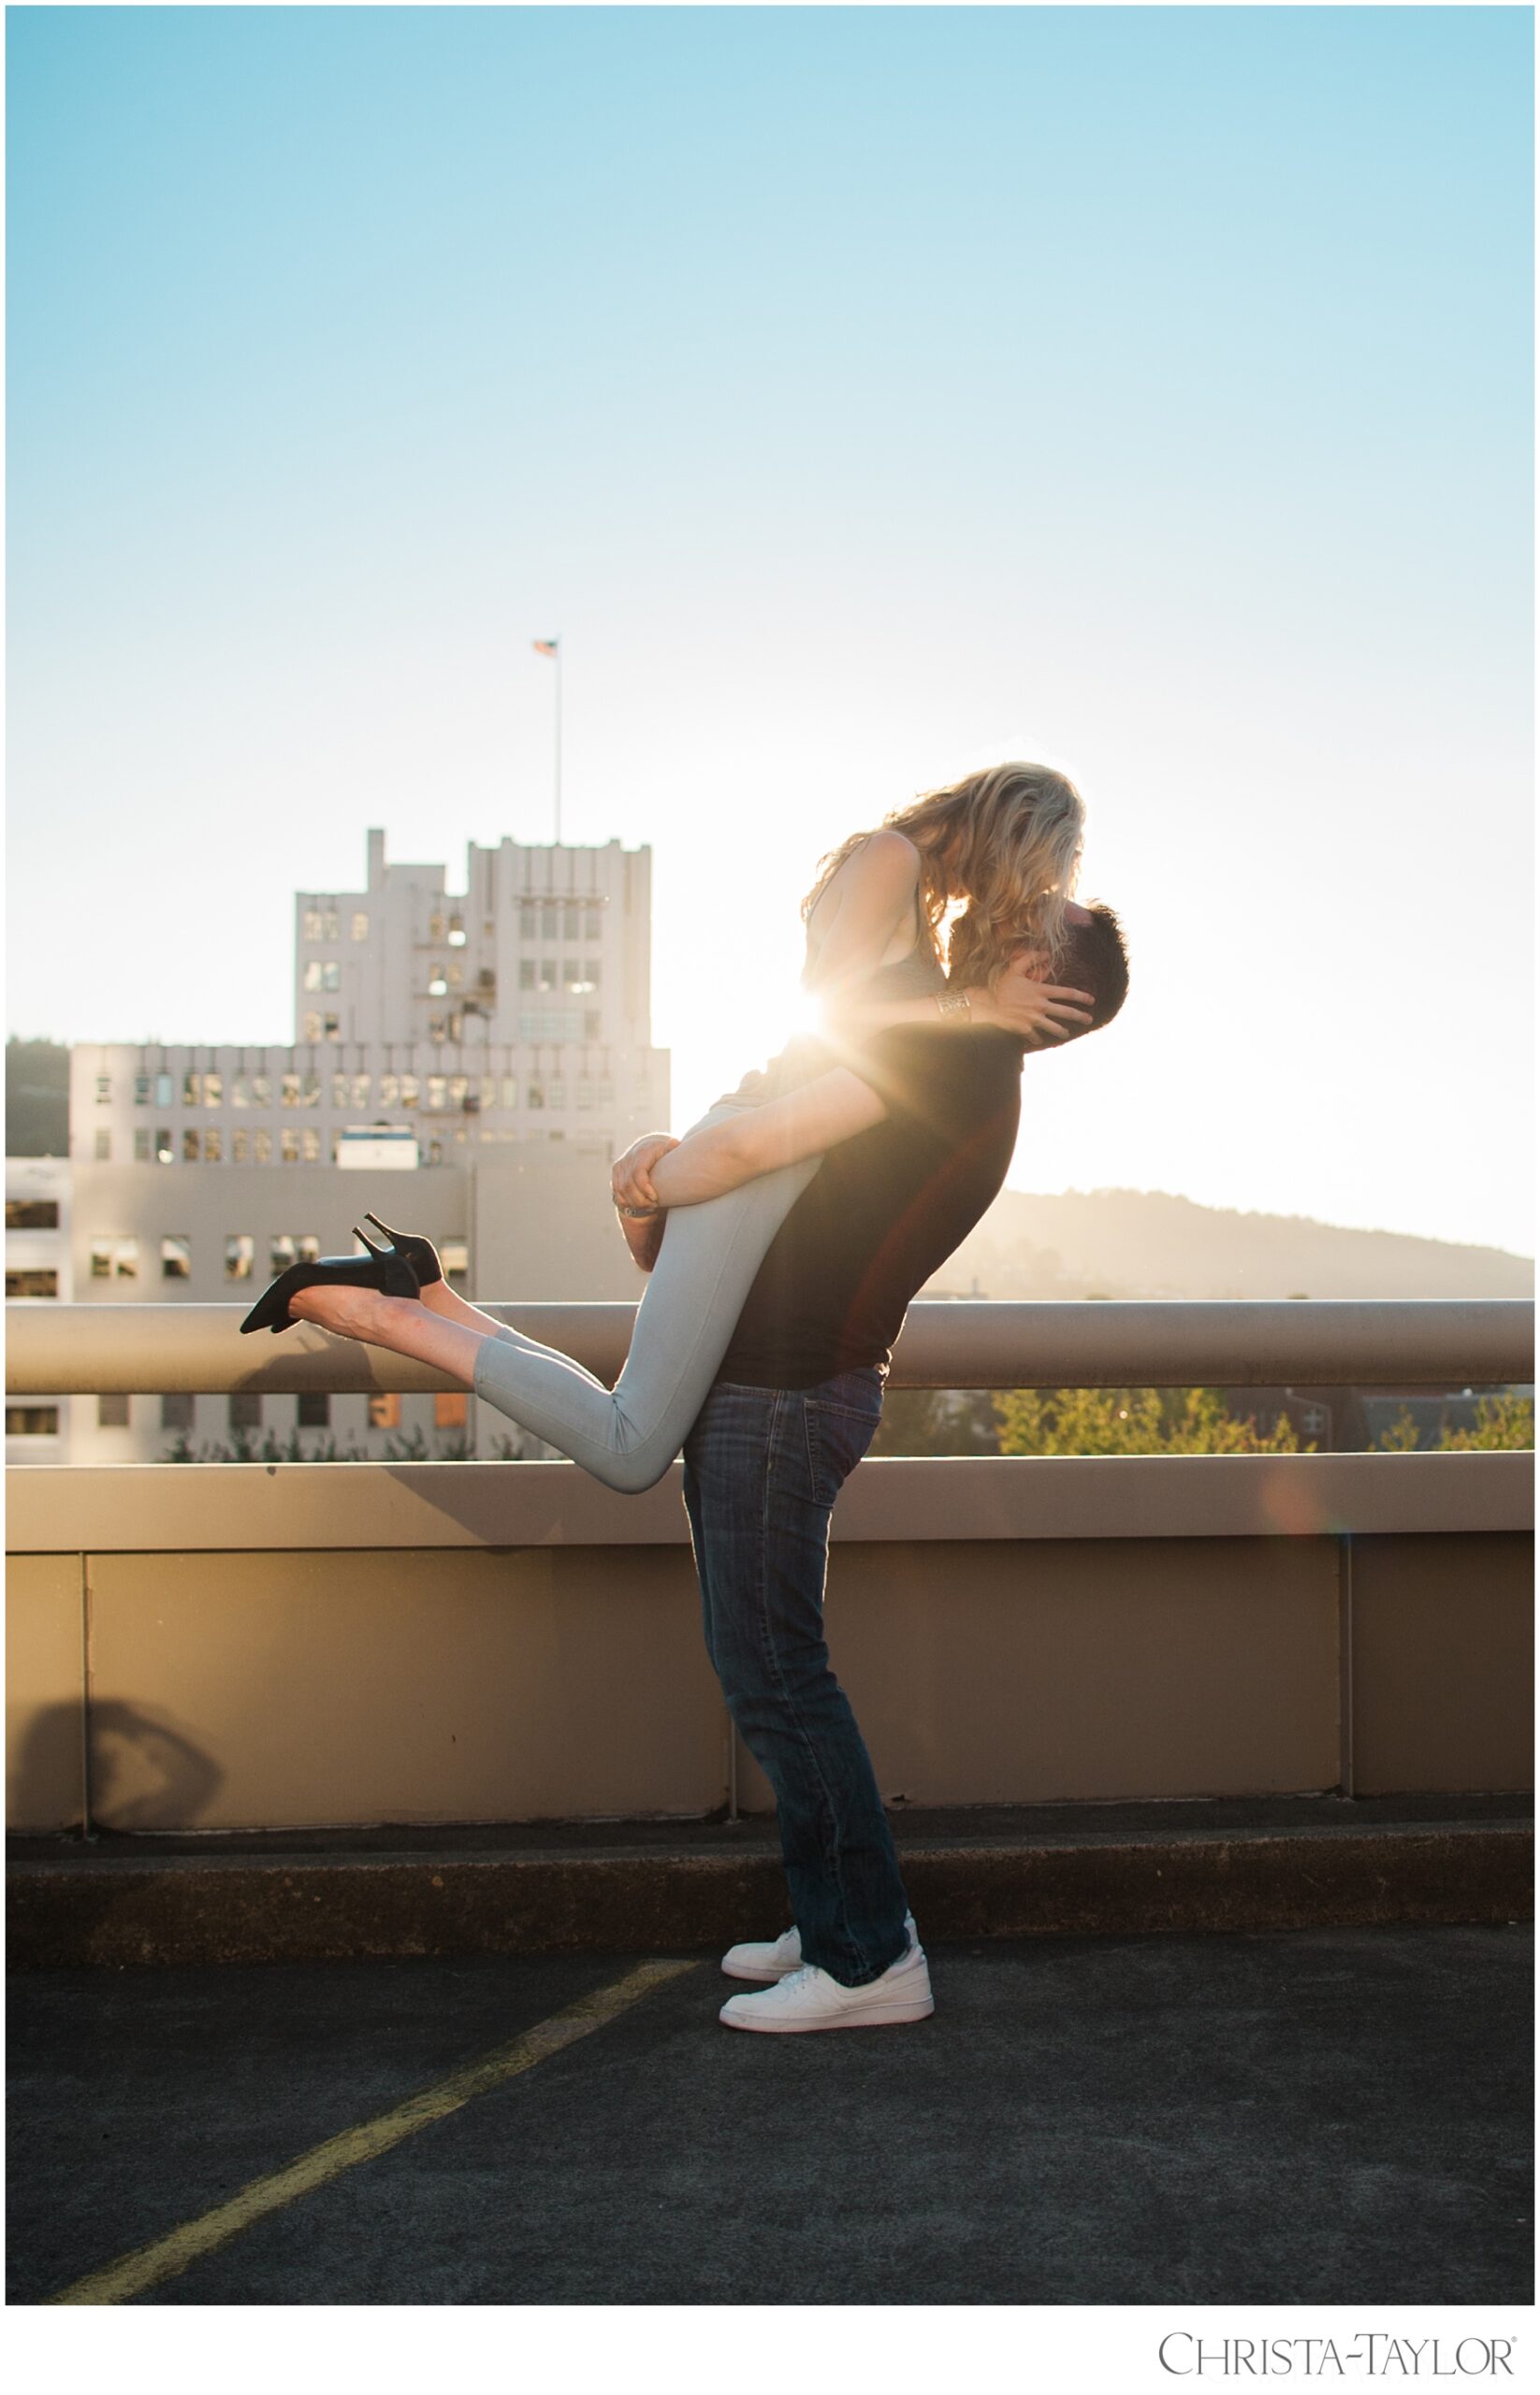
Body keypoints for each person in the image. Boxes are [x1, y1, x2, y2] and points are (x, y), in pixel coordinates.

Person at [257, 888, 1131, 2034]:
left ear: (1051, 988)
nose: (1009, 914)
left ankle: (868, 1957)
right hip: (771, 1384)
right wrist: (662, 1184)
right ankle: (834, 1915)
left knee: (776, 1675)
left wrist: (651, 1171)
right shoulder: (948, 1049)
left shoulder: (963, 1066)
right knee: (766, 1669)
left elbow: (751, 1150)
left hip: (783, 1396)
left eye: (1036, 927)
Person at [241, 764, 1097, 1495]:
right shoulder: (892, 858)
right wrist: (973, 1004)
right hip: (769, 1137)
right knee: (632, 1446)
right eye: (1038, 875)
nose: (1020, 900)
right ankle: (384, 1315)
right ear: (1016, 835)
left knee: (636, 1416)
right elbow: (837, 1014)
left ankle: (423, 1289)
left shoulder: (896, 866)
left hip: (772, 1134)